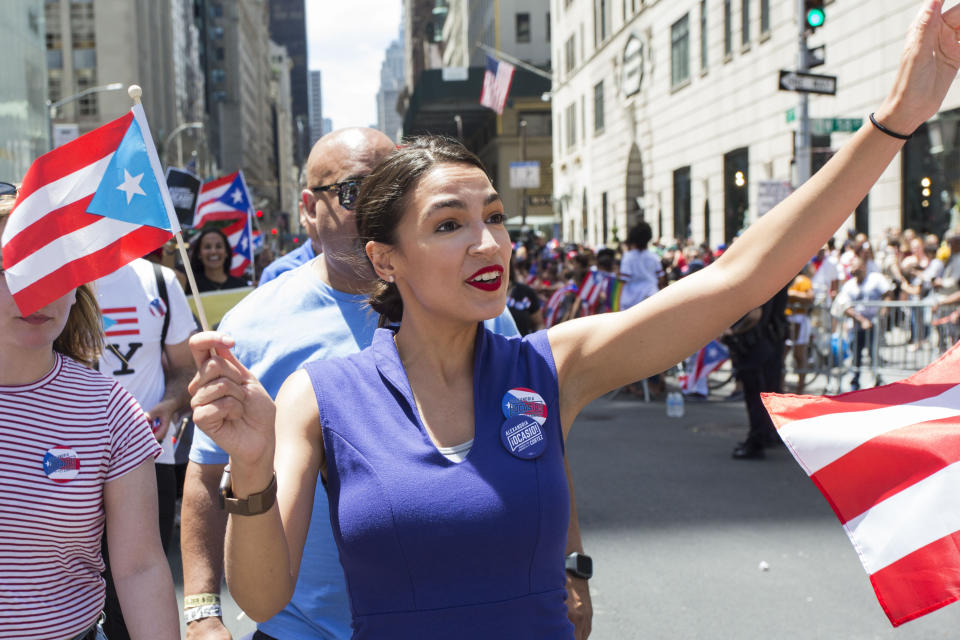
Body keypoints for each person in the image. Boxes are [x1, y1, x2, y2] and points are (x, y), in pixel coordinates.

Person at [188, 4, 960, 634]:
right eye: (450, 225)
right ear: (386, 258)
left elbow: (736, 278)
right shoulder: (316, 397)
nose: (489, 242)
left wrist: (892, 122)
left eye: (494, 216)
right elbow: (259, 598)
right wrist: (250, 471)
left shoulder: (548, 365)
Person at [180, 128, 593, 640]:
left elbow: (536, 438)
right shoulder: (252, 327)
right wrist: (201, 610)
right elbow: (207, 475)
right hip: (302, 625)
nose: (381, 201)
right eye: (356, 191)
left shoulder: (483, 309)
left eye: (396, 185)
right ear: (309, 209)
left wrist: (572, 563)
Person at [0, 200, 179, 639]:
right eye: (16, 268)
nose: (38, 290)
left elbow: (140, 568)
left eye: (56, 270)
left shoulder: (111, 411)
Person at [92, 257, 198, 640]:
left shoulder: (159, 280)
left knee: (131, 603)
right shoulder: (57, 271)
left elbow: (186, 370)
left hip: (149, 460)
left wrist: (170, 404)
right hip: (72, 465)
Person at [837, 256, 894, 391]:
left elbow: (888, 293)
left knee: (873, 353)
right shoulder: (849, 285)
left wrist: (883, 312)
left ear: (863, 267)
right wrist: (861, 320)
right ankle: (855, 381)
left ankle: (877, 380)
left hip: (874, 322)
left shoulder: (875, 279)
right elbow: (844, 306)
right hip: (857, 325)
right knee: (856, 353)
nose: (854, 271)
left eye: (857, 268)